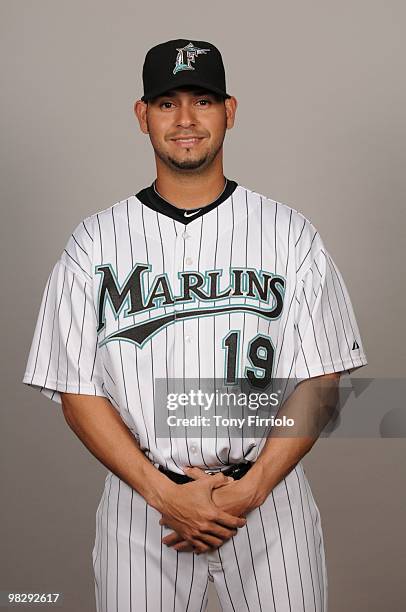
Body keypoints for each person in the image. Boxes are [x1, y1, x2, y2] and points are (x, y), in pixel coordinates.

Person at [22, 38, 368, 611]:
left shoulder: (290, 235)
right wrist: (164, 494)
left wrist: (250, 491)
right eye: (167, 103)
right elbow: (75, 389)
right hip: (144, 504)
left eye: (202, 100)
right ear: (143, 116)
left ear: (229, 110)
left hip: (269, 500)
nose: (185, 119)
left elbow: (322, 380)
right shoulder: (94, 243)